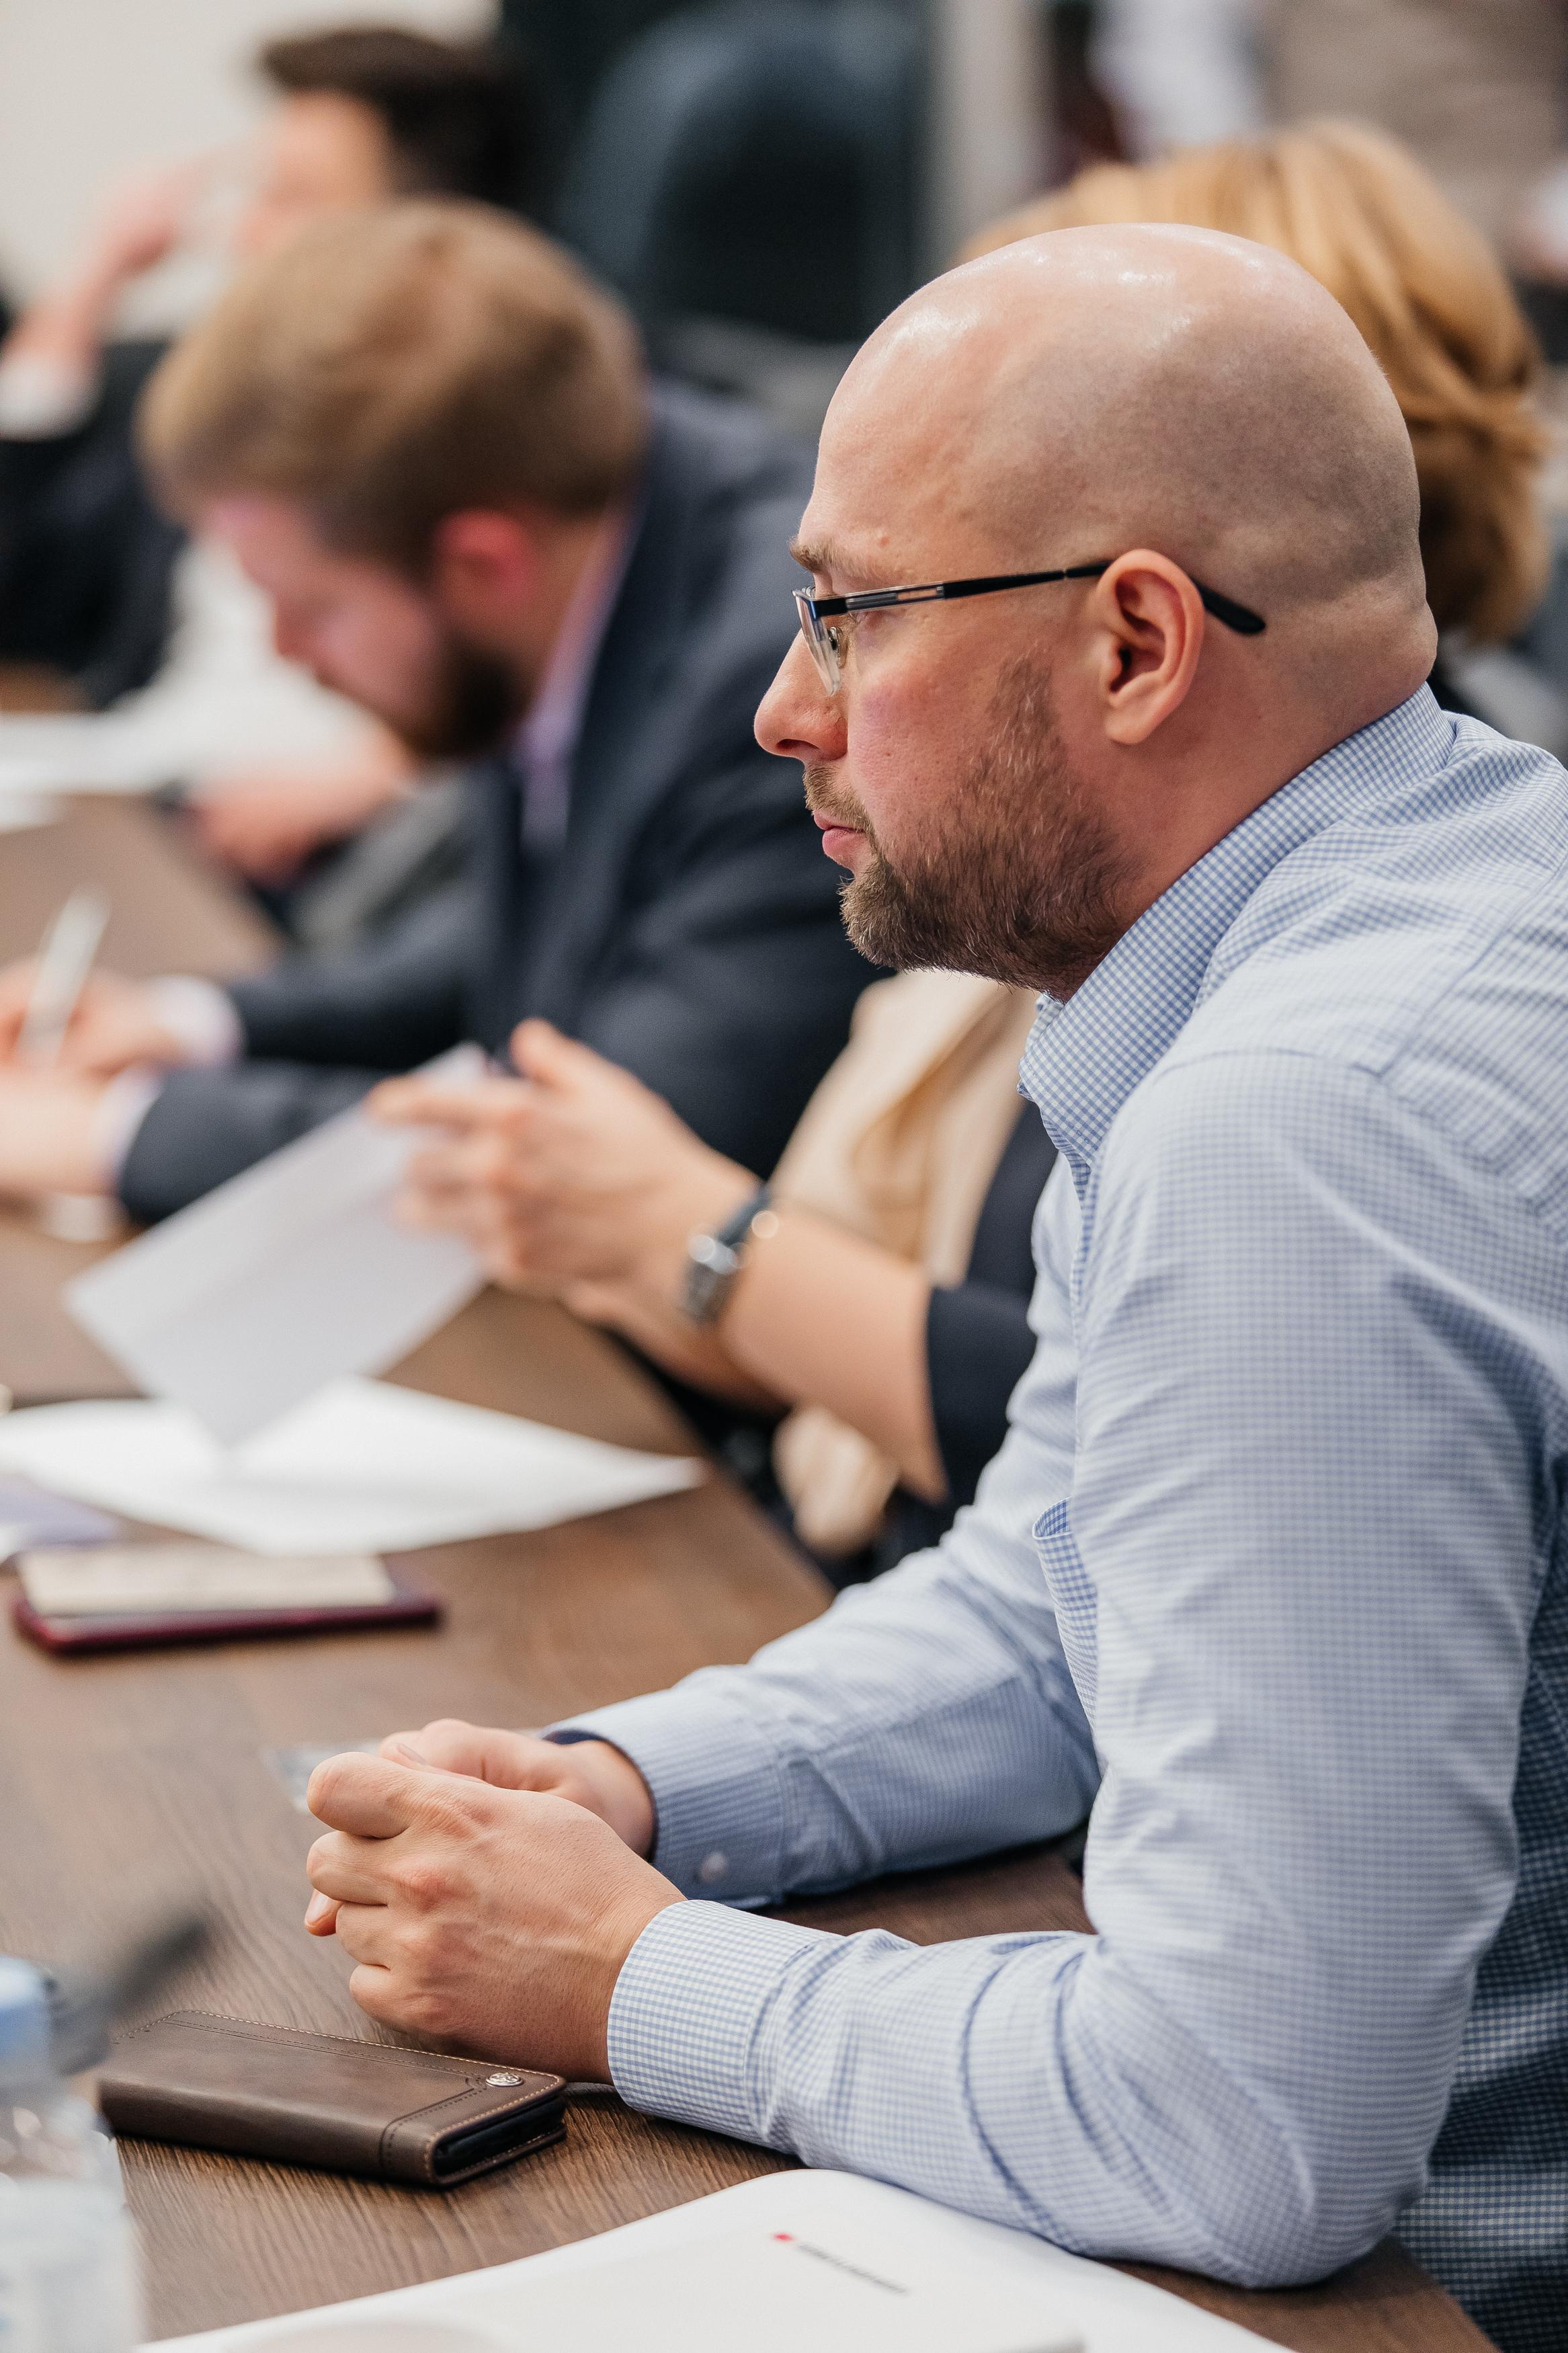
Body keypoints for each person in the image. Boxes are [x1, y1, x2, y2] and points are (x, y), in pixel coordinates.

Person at [298, 225, 1567, 2353]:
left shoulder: (1297, 1126)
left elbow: (1243, 2124)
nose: (782, 706)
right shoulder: (1395, 902)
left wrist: (620, 1971)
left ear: (1134, 642)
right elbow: (1054, 1595)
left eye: (846, 613)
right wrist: (620, 1788)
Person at [376, 118, 1552, 1579]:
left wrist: (707, 1245)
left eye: (860, 614)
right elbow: (1040, 1564)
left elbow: (1134, 1510)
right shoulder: (1115, 929)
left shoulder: (1279, 1068)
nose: (786, 713)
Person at [0, 203, 870, 1223]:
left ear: (481, 564)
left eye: (312, 609)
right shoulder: (585, 539)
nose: (284, 650)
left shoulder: (774, 691)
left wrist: (118, 1135)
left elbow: (609, 1153)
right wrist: (197, 1026)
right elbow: (546, 938)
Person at [0, 25, 538, 904]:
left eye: (293, 198)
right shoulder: (211, 386)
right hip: (144, 783)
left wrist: (392, 769)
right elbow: (20, 588)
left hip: (319, 865)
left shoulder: (521, 416)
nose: (247, 231)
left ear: (426, 228)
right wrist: (94, 274)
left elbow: (553, 671)